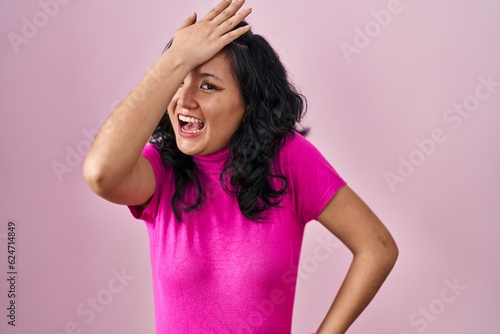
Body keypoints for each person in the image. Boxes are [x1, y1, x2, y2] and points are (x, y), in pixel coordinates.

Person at [83, 0, 399, 333]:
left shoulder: (290, 159)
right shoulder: (160, 169)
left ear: (249, 104)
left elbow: (376, 247)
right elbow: (100, 173)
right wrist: (175, 58)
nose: (184, 100)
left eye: (207, 86)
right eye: (179, 81)